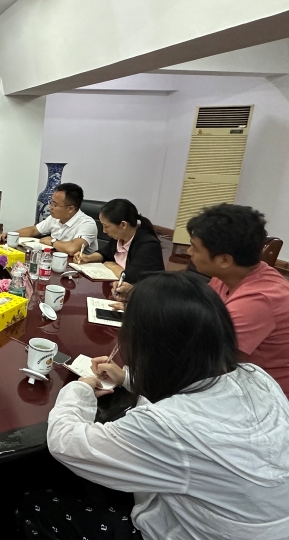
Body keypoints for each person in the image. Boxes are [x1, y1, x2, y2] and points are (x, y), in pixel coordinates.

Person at [17, 273, 289, 539]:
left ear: (148, 344)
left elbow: (65, 442)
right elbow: (188, 379)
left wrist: (80, 388)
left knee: (35, 504)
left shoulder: (169, 426)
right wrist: (127, 377)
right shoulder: (256, 377)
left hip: (193, 531)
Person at [186, 203, 289, 396]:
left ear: (224, 260)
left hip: (267, 398)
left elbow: (207, 359)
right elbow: (199, 319)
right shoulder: (228, 277)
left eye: (195, 247)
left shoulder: (258, 300)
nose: (189, 252)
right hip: (237, 380)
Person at [72, 198, 164, 283]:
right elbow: (104, 254)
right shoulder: (118, 238)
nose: (104, 231)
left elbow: (131, 277)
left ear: (123, 225)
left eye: (106, 226)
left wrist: (113, 266)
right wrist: (88, 258)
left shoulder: (148, 245)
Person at [4, 182, 98, 254]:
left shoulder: (87, 224)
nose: (50, 207)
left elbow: (72, 249)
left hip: (79, 268)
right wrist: (11, 234)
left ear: (70, 209)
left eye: (55, 204)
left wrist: (52, 241)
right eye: (51, 202)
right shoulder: (55, 217)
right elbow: (34, 230)